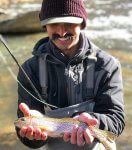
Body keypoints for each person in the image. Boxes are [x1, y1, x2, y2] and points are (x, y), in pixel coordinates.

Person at [15, 0, 125, 149]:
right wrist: (34, 138)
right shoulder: (30, 69)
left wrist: (95, 121)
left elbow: (116, 120)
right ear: (44, 25)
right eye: (54, 24)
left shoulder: (107, 65)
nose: (62, 31)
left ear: (82, 23)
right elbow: (26, 133)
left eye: (69, 23)